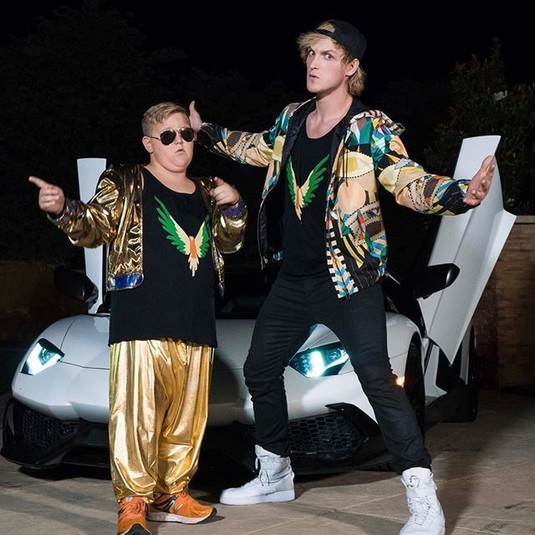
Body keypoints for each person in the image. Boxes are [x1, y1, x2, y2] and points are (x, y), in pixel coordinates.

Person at [188, 19, 495, 535]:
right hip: (292, 279)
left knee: (377, 380)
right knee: (260, 369)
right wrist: (205, 132)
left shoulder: (369, 127)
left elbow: (406, 180)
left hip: (348, 278)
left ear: (351, 67)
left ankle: (424, 499)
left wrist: (459, 193)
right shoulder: (292, 119)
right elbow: (255, 146)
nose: (314, 62)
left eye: (328, 55)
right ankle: (275, 473)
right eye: (310, 53)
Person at [29, 101, 248, 535]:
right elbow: (94, 226)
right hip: (142, 318)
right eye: (168, 136)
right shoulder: (126, 181)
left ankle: (172, 493)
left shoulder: (208, 188)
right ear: (149, 143)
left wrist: (235, 206)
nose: (180, 142)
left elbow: (229, 243)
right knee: (137, 415)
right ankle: (133, 500)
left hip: (196, 319)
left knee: (187, 417)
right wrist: (62, 208)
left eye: (186, 134)